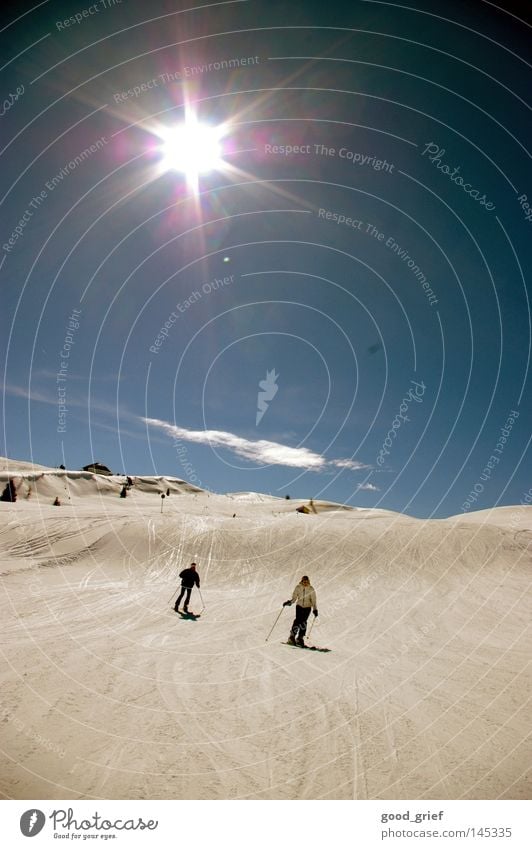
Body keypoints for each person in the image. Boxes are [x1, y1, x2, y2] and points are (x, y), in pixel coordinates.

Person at [283, 575, 318, 646]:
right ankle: (292, 637)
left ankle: (300, 638)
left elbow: (313, 601)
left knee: (303, 622)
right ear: (301, 581)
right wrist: (289, 602)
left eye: (306, 581)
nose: (305, 583)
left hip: (307, 607)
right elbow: (294, 598)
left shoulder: (311, 589)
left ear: (308, 581)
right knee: (297, 621)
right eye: (304, 581)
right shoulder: (298, 587)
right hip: (299, 606)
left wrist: (315, 609)